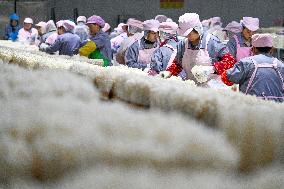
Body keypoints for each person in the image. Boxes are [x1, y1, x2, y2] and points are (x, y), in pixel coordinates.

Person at [160, 13, 236, 87]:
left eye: (189, 33)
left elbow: (230, 61)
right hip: (193, 88)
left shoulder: (211, 42)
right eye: (185, 34)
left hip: (212, 89)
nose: (187, 36)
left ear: (197, 29)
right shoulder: (183, 44)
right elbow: (178, 64)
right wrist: (169, 72)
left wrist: (212, 69)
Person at [221, 33, 284, 102]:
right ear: (271, 50)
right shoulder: (281, 65)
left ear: (253, 49)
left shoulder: (246, 63)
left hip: (251, 107)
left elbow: (226, 77)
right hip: (277, 108)